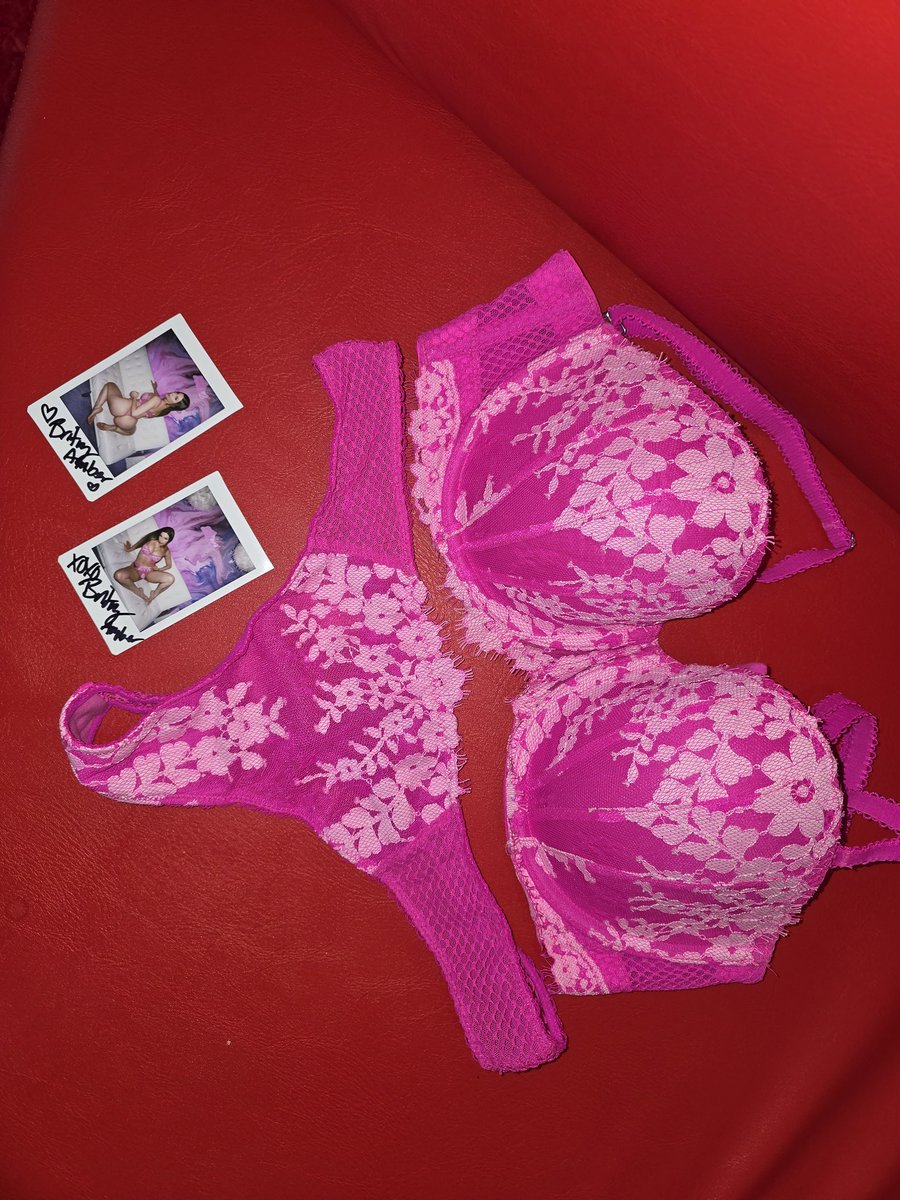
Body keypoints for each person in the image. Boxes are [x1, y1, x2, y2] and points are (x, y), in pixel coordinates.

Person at [87, 379, 189, 435]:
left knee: (110, 385)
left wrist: (134, 398)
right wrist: (155, 389)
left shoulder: (156, 400)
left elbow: (134, 413)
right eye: (177, 393)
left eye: (176, 398)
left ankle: (97, 407)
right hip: (128, 422)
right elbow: (154, 403)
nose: (173, 394)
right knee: (131, 431)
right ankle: (114, 428)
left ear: (174, 405)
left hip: (123, 408)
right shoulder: (164, 411)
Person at [113, 527, 176, 606]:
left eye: (165, 538)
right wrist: (129, 549)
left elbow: (169, 565)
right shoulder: (151, 539)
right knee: (118, 575)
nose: (161, 539)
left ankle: (154, 595)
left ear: (169, 540)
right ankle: (139, 592)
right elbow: (139, 543)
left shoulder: (166, 551)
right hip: (135, 569)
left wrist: (159, 569)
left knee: (170, 579)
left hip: (149, 573)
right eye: (161, 536)